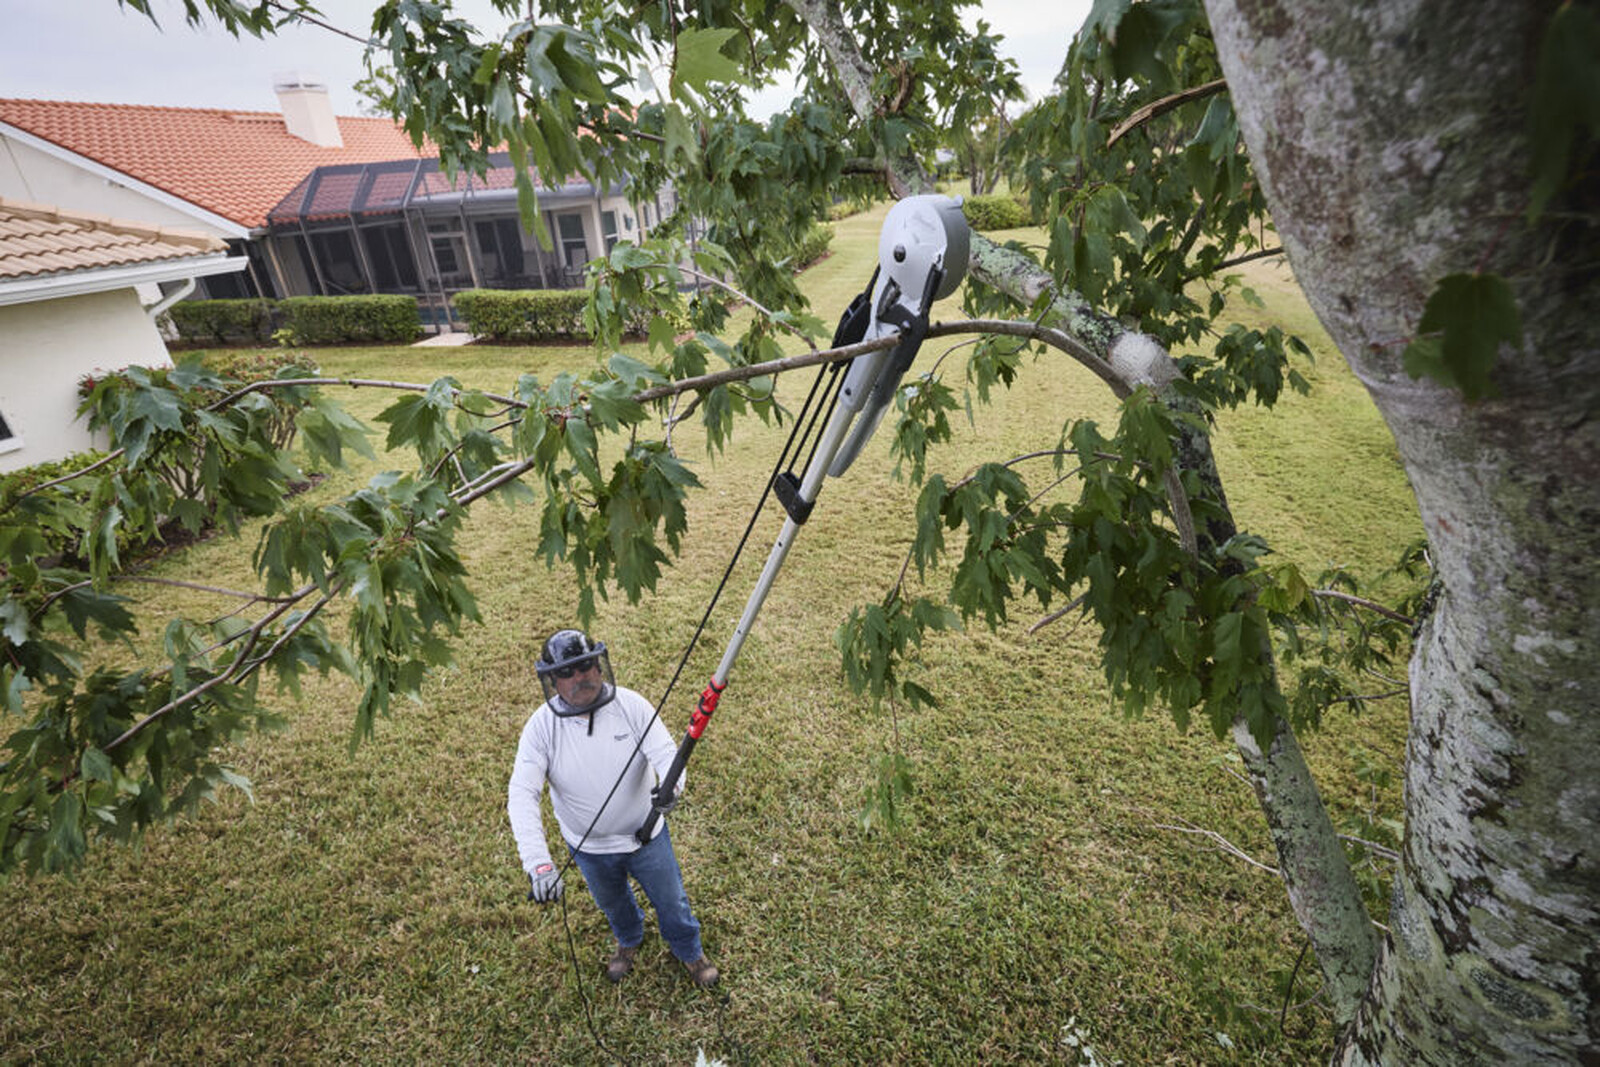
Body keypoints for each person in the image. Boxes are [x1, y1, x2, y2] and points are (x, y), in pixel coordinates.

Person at [507, 628, 719, 987]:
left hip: (647, 840)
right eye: (566, 672)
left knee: (673, 903)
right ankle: (628, 940)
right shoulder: (540, 728)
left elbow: (668, 756)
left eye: (586, 665)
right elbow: (522, 793)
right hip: (588, 850)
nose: (579, 678)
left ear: (599, 666)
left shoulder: (632, 706)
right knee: (614, 905)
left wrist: (673, 787)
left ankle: (689, 950)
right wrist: (539, 864)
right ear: (552, 680)